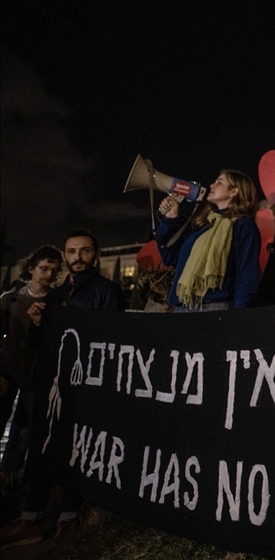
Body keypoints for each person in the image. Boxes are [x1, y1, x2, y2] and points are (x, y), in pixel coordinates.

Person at [1, 230, 124, 549]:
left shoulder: (106, 291)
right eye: (71, 251)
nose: (77, 257)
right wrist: (36, 326)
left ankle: (68, 518)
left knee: (77, 447)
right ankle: (31, 518)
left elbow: (115, 341)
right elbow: (36, 345)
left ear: (95, 254)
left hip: (85, 384)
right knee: (42, 446)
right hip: (51, 382)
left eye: (84, 251)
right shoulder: (53, 298)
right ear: (65, 256)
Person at [157, 170, 261, 311]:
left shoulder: (243, 226)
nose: (211, 185)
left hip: (217, 306)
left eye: (219, 183)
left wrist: (241, 315)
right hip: (183, 306)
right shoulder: (203, 226)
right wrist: (171, 219)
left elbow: (247, 274)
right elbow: (171, 258)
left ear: (234, 191)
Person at [0, 246, 62, 482]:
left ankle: (11, 474)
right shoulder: (11, 299)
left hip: (35, 374)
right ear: (31, 269)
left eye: (54, 271)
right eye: (44, 269)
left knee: (25, 428)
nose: (48, 274)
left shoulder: (57, 303)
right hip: (6, 371)